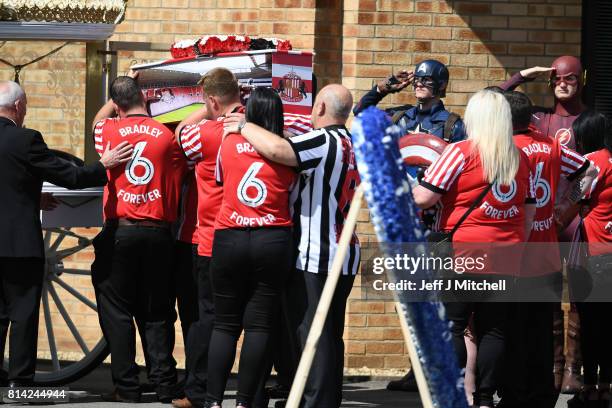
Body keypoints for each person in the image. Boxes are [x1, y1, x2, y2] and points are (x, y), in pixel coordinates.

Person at [224, 84, 360, 408]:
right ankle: (321, 399)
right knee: (328, 334)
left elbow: (280, 150)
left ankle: (316, 402)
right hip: (342, 250)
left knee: (314, 334)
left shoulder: (325, 139)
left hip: (318, 252)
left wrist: (243, 125)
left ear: (323, 109)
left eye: (314, 106)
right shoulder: (351, 142)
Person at [0, 80, 131, 388]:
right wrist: (103, 165)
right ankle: (20, 383)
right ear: (18, 107)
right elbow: (71, 176)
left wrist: (31, 195)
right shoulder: (25, 140)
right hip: (18, 245)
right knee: (22, 313)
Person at [412, 90, 537, 408]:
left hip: (462, 251)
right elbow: (528, 210)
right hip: (506, 254)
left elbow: (424, 198)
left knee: (453, 324)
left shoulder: (460, 152)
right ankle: (484, 398)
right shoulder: (520, 158)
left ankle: (454, 392)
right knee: (494, 330)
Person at [354, 59, 466, 391]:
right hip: (405, 220)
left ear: (441, 86)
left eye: (426, 80)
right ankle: (416, 370)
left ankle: (440, 373)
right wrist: (384, 88)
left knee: (440, 302)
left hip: (438, 224)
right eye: (417, 79)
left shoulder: (454, 126)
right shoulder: (401, 116)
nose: (419, 85)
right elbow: (362, 115)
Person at [91, 74, 188, 402]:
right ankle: (163, 383)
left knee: (117, 310)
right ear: (145, 99)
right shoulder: (168, 137)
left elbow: (97, 120)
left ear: (117, 105)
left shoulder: (108, 130)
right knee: (157, 311)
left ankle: (127, 386)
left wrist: (123, 89)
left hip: (122, 231)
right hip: (159, 234)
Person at [498, 91, 595, 408]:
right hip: (547, 250)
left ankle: (514, 395)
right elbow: (588, 171)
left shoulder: (508, 147)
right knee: (541, 330)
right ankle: (542, 395)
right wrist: (566, 207)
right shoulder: (551, 145)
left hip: (517, 252)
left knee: (512, 329)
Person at [202, 87, 296, 408]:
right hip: (273, 237)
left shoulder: (228, 141)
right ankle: (244, 402)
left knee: (225, 324)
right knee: (259, 325)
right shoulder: (287, 147)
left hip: (230, 237)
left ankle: (213, 401)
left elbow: (219, 180)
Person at [172, 67, 244, 408]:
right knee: (254, 320)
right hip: (254, 235)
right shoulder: (261, 127)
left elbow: (181, 133)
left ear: (213, 100)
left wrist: (207, 106)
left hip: (211, 237)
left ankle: (200, 391)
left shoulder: (207, 133)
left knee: (209, 319)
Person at [560, 110, 612, 408]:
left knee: (591, 324)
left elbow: (575, 199)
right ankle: (606, 386)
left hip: (593, 251)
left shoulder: (593, 162)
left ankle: (590, 388)